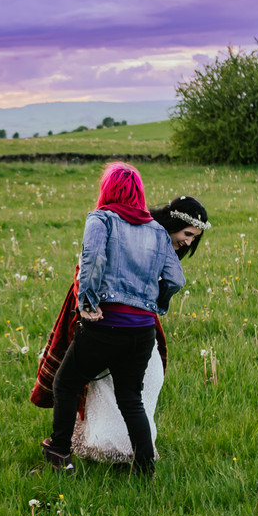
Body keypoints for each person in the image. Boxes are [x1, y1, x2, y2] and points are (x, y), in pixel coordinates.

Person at [34, 163, 188, 476]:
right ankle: (145, 471)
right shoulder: (158, 231)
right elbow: (175, 278)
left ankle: (59, 458)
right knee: (131, 399)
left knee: (65, 383)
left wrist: (88, 304)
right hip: (143, 332)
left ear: (107, 190)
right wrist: (155, 305)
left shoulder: (101, 219)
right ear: (139, 194)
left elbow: (91, 261)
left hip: (105, 325)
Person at [71, 195, 210, 464]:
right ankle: (109, 447)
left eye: (195, 238)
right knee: (118, 387)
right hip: (113, 317)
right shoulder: (143, 232)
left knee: (142, 385)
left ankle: (128, 450)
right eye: (188, 234)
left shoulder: (163, 242)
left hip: (138, 322)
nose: (189, 242)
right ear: (172, 223)